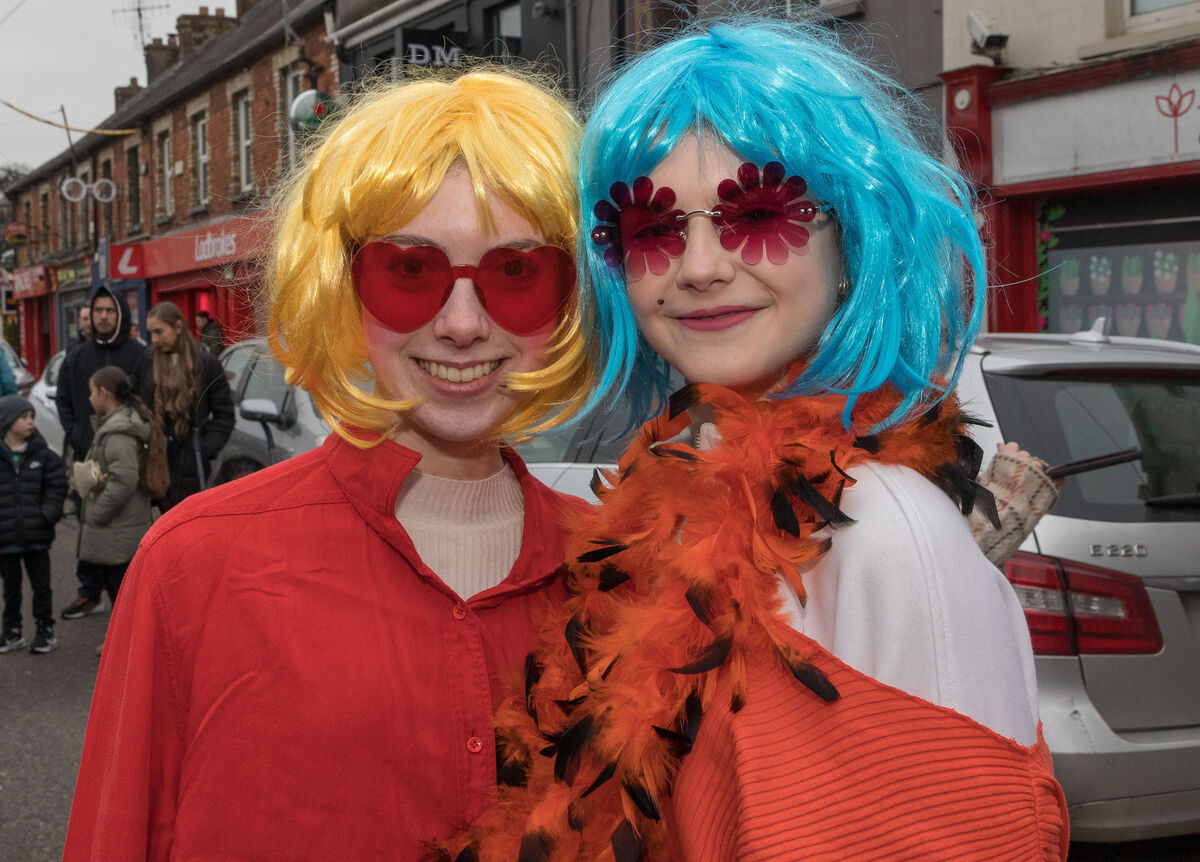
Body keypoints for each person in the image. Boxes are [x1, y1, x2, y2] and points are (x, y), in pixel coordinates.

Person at [440, 19, 1068, 861]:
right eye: (655, 227)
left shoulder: (888, 532)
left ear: (854, 237)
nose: (699, 266)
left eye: (757, 212)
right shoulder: (667, 492)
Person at [64, 67, 594, 859]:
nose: (461, 324)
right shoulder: (195, 564)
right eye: (409, 270)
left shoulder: (632, 573)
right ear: (338, 289)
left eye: (516, 272)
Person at [56, 287, 144, 620]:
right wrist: (76, 433)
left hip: (124, 456)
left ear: (120, 314)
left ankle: (130, 598)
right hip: (86, 455)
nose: (103, 316)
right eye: (98, 311)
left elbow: (146, 402)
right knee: (87, 521)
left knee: (122, 527)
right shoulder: (77, 356)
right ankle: (88, 592)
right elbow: (63, 399)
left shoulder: (138, 354)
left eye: (109, 310)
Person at [74, 366, 168, 655]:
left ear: (104, 393)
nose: (89, 399)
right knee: (121, 591)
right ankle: (125, 643)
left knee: (122, 591)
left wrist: (96, 513)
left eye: (92, 392)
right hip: (120, 526)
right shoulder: (120, 423)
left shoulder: (118, 432)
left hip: (118, 527)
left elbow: (124, 479)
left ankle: (128, 648)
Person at [132, 301, 234, 510]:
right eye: (151, 333)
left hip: (191, 462)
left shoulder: (206, 363)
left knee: (188, 524)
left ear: (178, 327)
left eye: (159, 332)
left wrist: (205, 448)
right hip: (155, 459)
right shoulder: (148, 359)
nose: (154, 339)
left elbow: (225, 414)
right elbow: (135, 400)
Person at [0, 395, 68, 654]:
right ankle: (12, 631)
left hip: (37, 535)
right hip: (6, 537)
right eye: (24, 417)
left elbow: (57, 485)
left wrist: (47, 514)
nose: (30, 422)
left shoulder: (44, 455)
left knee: (41, 586)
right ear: (7, 422)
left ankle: (45, 629)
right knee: (10, 587)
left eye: (32, 417)